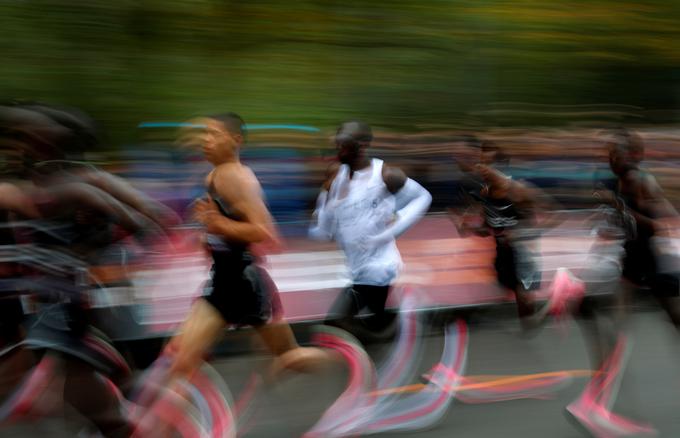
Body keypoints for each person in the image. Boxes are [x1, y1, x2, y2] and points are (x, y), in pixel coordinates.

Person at [167, 112, 332, 379]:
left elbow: (265, 233)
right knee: (179, 359)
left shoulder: (236, 177)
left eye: (214, 134)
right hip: (225, 280)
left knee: (288, 356)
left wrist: (219, 226)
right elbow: (228, 226)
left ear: (236, 140)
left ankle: (345, 362)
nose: (205, 140)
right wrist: (210, 236)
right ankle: (170, 419)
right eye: (203, 134)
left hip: (245, 285)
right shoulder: (216, 175)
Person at [309, 121, 432, 342]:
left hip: (378, 267)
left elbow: (423, 198)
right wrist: (323, 197)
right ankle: (397, 335)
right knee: (375, 321)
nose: (338, 150)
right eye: (337, 144)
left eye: (344, 144)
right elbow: (322, 232)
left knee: (337, 322)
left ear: (362, 146)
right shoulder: (337, 180)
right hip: (357, 266)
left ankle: (395, 336)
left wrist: (390, 231)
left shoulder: (385, 175)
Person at [449, 137, 559, 329]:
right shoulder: (485, 194)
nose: (482, 168)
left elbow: (556, 214)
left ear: (500, 167)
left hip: (524, 255)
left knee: (528, 322)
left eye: (488, 164)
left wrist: (524, 234)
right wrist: (467, 228)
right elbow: (487, 229)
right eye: (481, 163)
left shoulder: (519, 190)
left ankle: (560, 297)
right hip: (503, 255)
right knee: (515, 303)